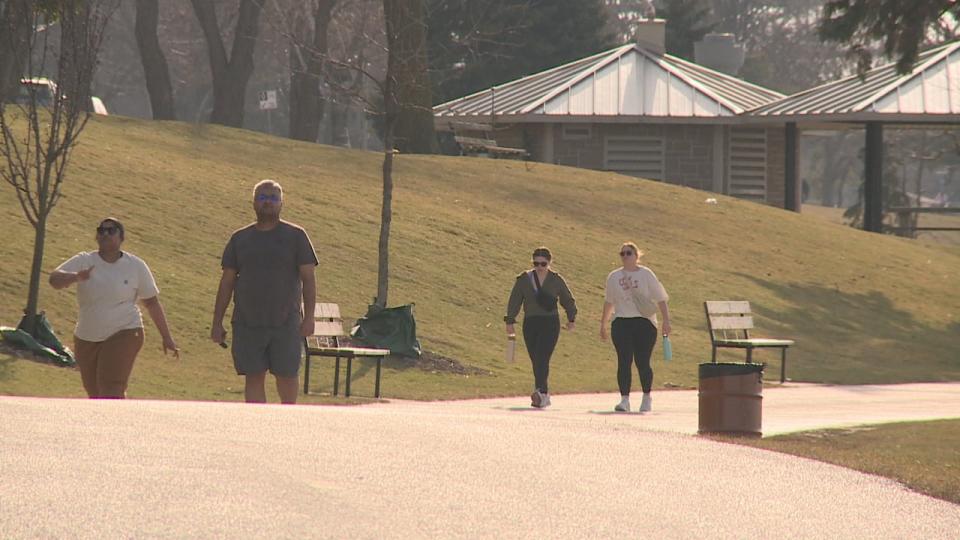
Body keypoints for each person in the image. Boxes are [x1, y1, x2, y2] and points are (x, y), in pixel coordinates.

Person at [211, 179, 318, 404]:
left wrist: (308, 318)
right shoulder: (240, 239)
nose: (267, 203)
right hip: (247, 321)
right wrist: (217, 322)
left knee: (287, 375)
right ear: (253, 203)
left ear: (281, 204)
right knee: (253, 376)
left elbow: (308, 280)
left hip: (286, 322)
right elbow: (227, 282)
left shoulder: (296, 236)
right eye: (262, 198)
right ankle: (257, 424)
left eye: (273, 198)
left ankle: (288, 420)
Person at [49, 217, 179, 398]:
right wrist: (75, 277)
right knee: (94, 392)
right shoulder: (84, 260)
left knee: (110, 387)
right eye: (101, 230)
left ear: (121, 237)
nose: (105, 234)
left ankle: (116, 424)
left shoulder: (135, 266)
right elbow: (54, 279)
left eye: (111, 230)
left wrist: (167, 337)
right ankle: (111, 422)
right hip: (87, 336)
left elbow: (151, 302)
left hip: (125, 331)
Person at [599, 242, 671, 413]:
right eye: (622, 253)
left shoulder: (646, 274)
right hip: (622, 322)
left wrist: (666, 321)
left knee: (642, 361)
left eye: (629, 253)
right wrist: (603, 324)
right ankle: (624, 399)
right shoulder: (614, 277)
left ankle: (647, 396)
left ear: (636, 255)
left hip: (644, 322)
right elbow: (609, 302)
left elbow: (661, 298)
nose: (625, 256)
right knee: (624, 361)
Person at [504, 247, 577, 408]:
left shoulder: (556, 280)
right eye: (536, 263)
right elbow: (515, 300)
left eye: (543, 263)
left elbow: (567, 299)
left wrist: (571, 318)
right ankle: (541, 392)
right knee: (535, 358)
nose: (539, 266)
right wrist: (510, 321)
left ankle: (541, 393)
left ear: (549, 263)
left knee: (542, 357)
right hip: (530, 322)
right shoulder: (524, 279)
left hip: (550, 323)